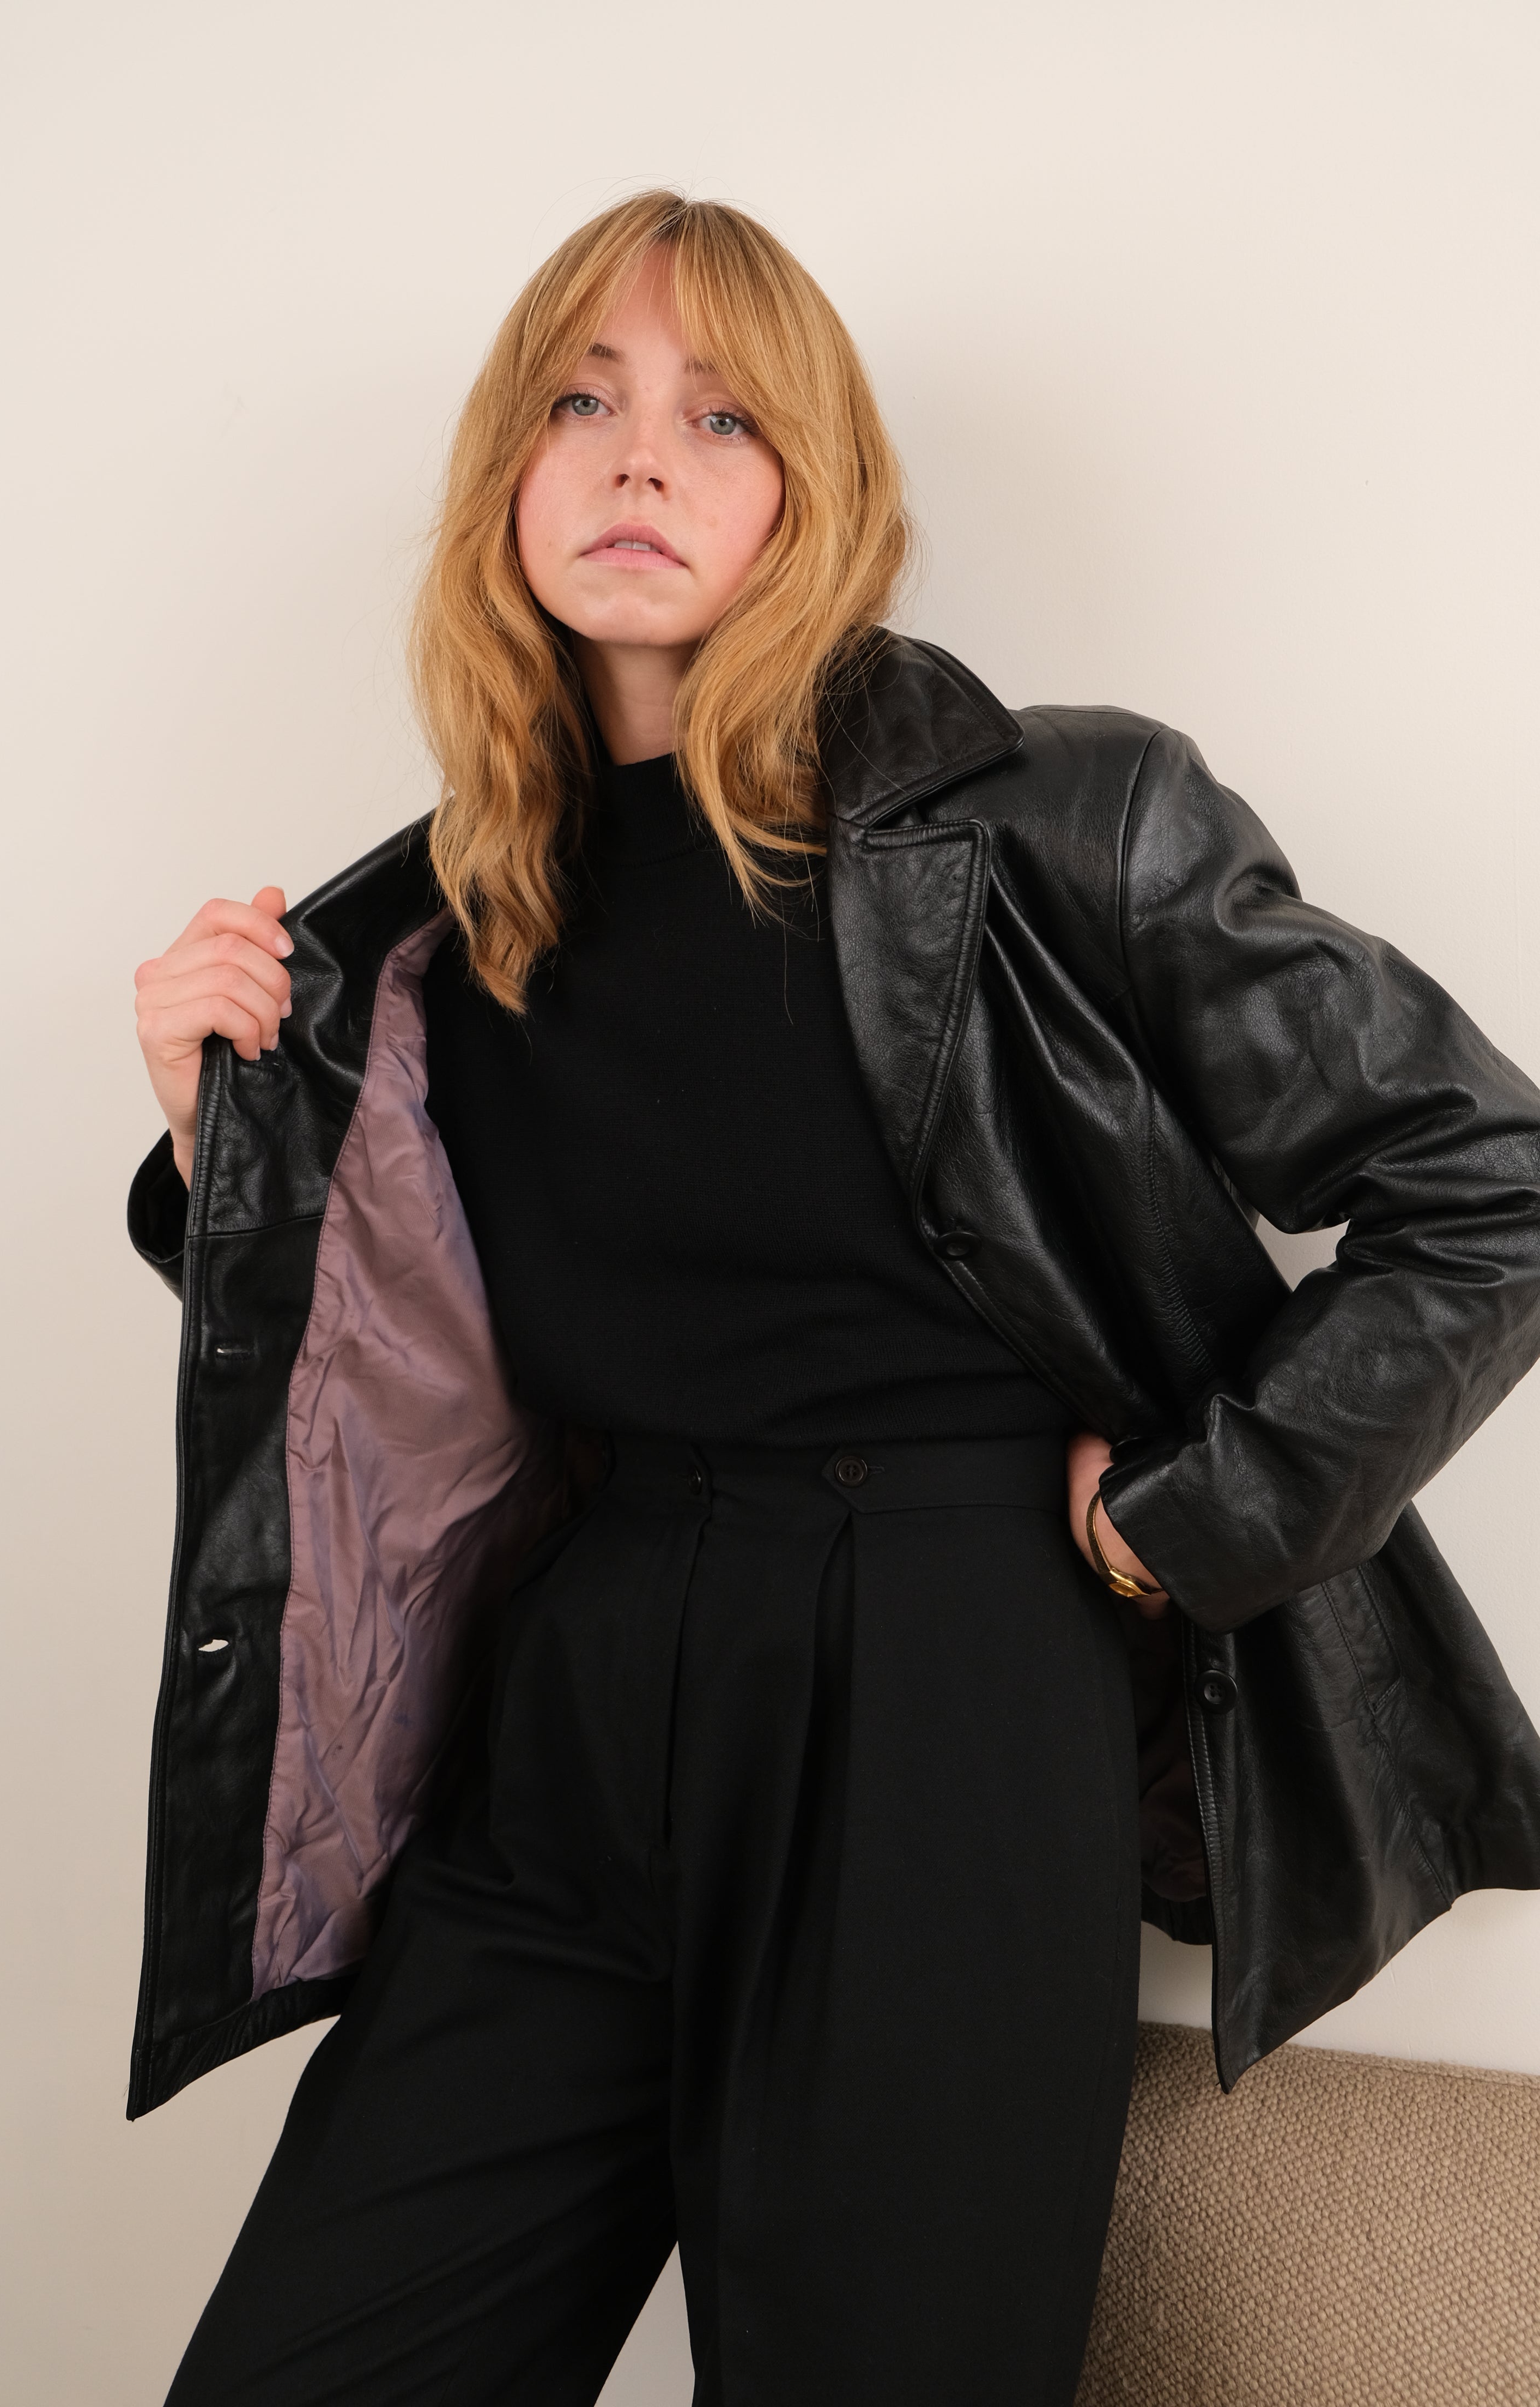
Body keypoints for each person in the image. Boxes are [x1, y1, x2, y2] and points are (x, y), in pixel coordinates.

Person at [128, 191, 1540, 2407]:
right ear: (508, 475)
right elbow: (403, 1352)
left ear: (819, 492)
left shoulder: (1056, 820)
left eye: (722, 416)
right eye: (579, 402)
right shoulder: (432, 922)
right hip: (577, 1690)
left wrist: (1191, 1515)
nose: (638, 456)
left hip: (945, 1684)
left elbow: (1489, 1182)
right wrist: (223, 1137)